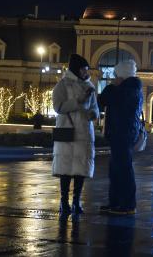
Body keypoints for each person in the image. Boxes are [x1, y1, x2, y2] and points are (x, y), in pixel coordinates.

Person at [52, 54, 99, 215]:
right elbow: (58, 107)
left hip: (84, 132)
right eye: (84, 69)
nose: (87, 72)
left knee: (81, 170)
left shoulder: (89, 86)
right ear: (76, 69)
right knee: (65, 170)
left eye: (87, 69)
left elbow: (95, 107)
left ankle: (76, 201)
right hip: (67, 130)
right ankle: (64, 201)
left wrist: (94, 114)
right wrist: (78, 101)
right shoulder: (62, 85)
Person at [98, 59, 143, 215]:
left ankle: (127, 205)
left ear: (122, 76)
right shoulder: (129, 88)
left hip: (123, 134)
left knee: (123, 170)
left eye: (115, 75)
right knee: (116, 169)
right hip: (121, 133)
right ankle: (116, 202)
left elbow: (103, 99)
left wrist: (111, 87)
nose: (113, 78)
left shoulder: (126, 90)